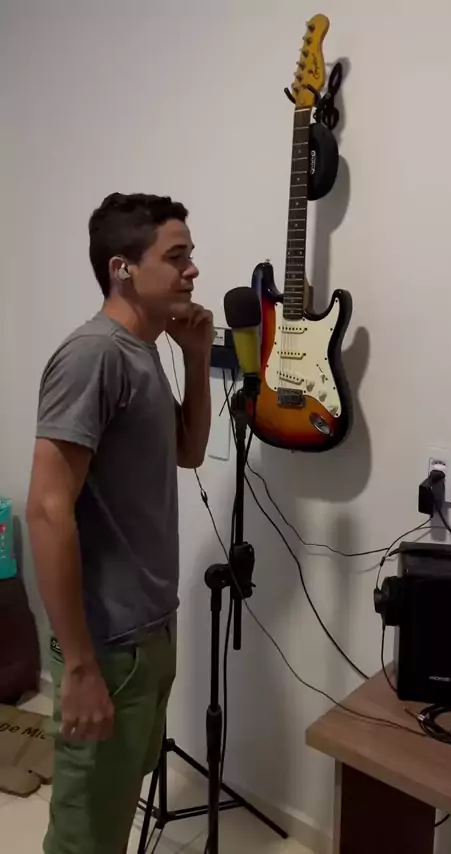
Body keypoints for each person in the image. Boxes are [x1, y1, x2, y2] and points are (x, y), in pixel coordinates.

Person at [27, 192, 212, 854]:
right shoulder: (94, 355)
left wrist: (196, 357)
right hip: (108, 646)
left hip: (150, 631)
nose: (192, 269)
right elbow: (47, 509)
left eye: (191, 255)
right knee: (85, 835)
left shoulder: (144, 352)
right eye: (176, 256)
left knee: (112, 810)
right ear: (122, 268)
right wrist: (79, 668)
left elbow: (190, 452)